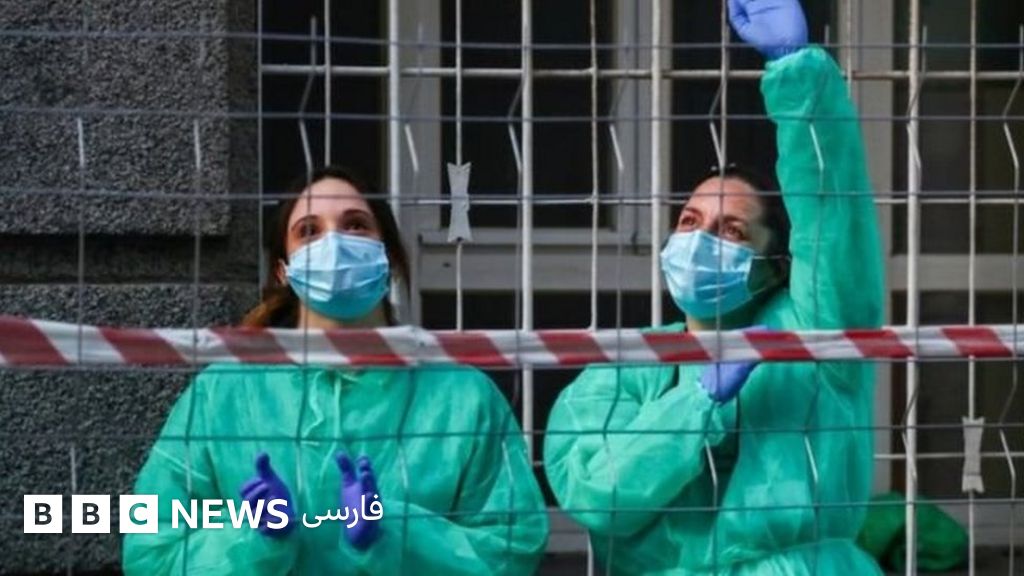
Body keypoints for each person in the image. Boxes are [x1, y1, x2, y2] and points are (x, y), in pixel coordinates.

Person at [543, 0, 884, 574]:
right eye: (688, 221)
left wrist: (798, 74)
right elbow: (598, 494)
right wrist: (697, 402)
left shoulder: (812, 334)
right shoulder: (620, 370)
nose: (700, 240)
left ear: (775, 264)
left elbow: (832, 214)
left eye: (731, 230)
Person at [123, 166, 549, 575]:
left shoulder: (463, 398)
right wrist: (252, 541)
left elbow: (513, 548)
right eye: (309, 231)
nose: (336, 244)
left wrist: (395, 534)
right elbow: (149, 548)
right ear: (283, 271)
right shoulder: (224, 393)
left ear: (389, 255)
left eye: (356, 225)